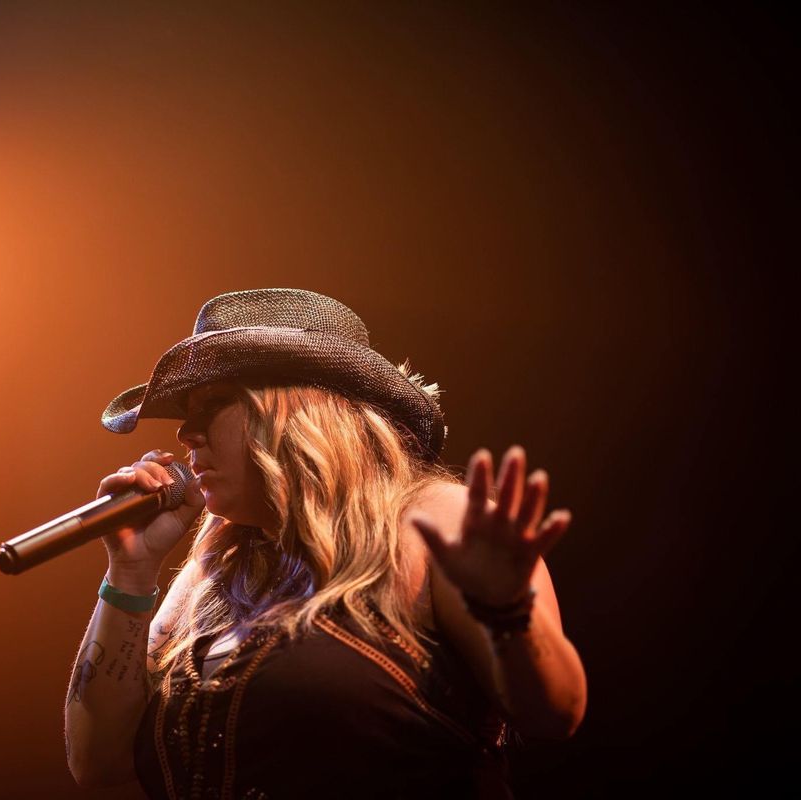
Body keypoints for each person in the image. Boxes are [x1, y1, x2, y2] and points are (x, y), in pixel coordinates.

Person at [64, 288, 587, 799]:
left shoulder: (435, 521)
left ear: (299, 409)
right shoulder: (212, 572)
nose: (186, 435)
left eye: (213, 405)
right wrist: (130, 574)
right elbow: (97, 761)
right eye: (185, 416)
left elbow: (556, 713)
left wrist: (508, 613)